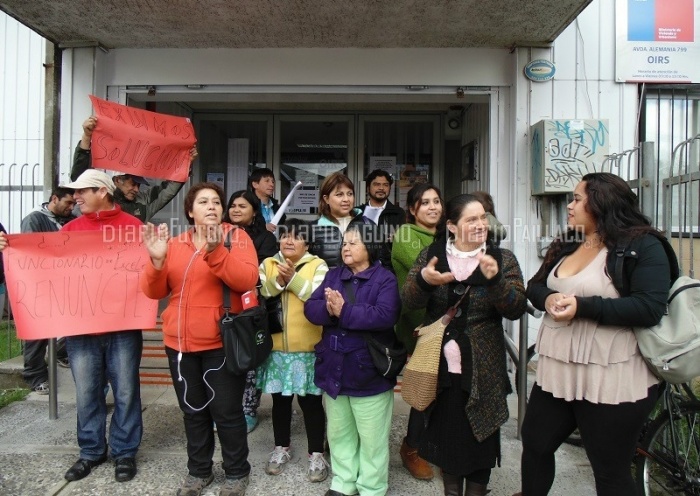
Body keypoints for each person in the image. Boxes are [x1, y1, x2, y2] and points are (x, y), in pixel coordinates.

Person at [517, 173, 672, 496]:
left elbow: (649, 307)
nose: (569, 206)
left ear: (601, 202)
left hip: (612, 376)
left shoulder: (644, 244)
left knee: (610, 471)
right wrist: (547, 298)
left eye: (576, 198)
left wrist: (582, 307)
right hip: (558, 372)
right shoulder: (571, 240)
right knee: (535, 445)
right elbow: (534, 285)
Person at [2, 170, 146, 483]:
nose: (76, 198)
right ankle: (91, 450)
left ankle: (124, 452)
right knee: (87, 393)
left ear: (103, 192)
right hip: (82, 330)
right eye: (75, 193)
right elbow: (45, 266)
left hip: (123, 327)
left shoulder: (134, 228)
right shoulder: (71, 230)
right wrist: (10, 247)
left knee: (125, 391)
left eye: (83, 192)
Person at [401, 193, 526, 496]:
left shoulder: (502, 258)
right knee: (448, 449)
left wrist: (496, 281)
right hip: (441, 373)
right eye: (472, 219)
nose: (481, 224)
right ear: (453, 226)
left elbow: (516, 307)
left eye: (483, 217)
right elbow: (408, 300)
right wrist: (424, 282)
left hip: (483, 372)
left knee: (480, 446)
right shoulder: (433, 254)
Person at [141, 182, 258, 496]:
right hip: (179, 344)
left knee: (227, 412)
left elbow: (247, 279)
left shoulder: (236, 238)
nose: (212, 206)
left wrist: (215, 250)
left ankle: (236, 472)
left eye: (217, 202)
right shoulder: (175, 244)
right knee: (192, 411)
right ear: (190, 211)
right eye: (203, 202)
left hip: (221, 342)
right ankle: (199, 471)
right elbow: (154, 292)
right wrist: (155, 261)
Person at [305, 223, 401, 496]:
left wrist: (344, 310)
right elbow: (310, 308)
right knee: (339, 433)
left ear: (369, 246)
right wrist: (329, 309)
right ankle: (344, 482)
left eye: (353, 243)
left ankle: (372, 487)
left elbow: (385, 315)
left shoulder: (385, 279)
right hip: (335, 370)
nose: (346, 248)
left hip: (368, 370)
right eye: (344, 243)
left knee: (372, 439)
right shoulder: (334, 275)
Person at [256, 219, 330, 483]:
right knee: (280, 402)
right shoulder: (268, 264)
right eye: (285, 235)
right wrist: (278, 280)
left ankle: (316, 454)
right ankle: (280, 449)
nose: (289, 240)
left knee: (311, 404)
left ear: (307, 244)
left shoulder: (318, 265)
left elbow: (316, 295)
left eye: (297, 237)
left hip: (308, 350)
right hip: (276, 349)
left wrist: (293, 280)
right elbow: (263, 291)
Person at [390, 183, 444, 481]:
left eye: (437, 201)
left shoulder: (448, 233)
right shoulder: (406, 235)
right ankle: (411, 447)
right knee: (424, 391)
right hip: (419, 326)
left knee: (446, 389)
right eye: (425, 203)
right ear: (413, 209)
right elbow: (434, 274)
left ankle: (438, 447)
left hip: (450, 324)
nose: (433, 207)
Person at [71, 116, 197, 222]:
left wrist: (185, 163)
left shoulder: (144, 200)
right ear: (118, 180)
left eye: (138, 185)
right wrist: (87, 137)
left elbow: (168, 190)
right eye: (133, 183)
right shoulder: (100, 196)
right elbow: (80, 177)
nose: (136, 189)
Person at [223, 189, 278, 433]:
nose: (236, 209)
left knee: (249, 360)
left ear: (254, 211)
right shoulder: (218, 233)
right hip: (223, 304)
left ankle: (248, 409)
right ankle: (226, 409)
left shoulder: (265, 238)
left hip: (251, 307)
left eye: (242, 206)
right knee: (224, 359)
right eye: (233, 205)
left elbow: (261, 271)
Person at [20, 186, 76, 393]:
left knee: (76, 323)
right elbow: (30, 251)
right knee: (38, 332)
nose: (71, 207)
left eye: (73, 204)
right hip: (39, 284)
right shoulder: (35, 220)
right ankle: (35, 376)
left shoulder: (71, 220)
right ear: (54, 198)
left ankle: (61, 352)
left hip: (65, 283)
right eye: (67, 203)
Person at [310, 171, 366, 269]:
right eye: (339, 195)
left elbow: (382, 263)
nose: (346, 199)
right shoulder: (313, 229)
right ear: (326, 199)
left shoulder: (367, 225)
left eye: (350, 194)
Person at [357, 169, 406, 271]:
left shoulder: (398, 213)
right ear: (368, 188)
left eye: (385, 185)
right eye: (376, 184)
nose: (381, 188)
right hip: (361, 268)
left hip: (389, 270)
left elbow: (401, 243)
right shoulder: (358, 212)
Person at [248, 168, 285, 232]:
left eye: (273, 181)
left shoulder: (276, 207)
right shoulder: (248, 205)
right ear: (255, 184)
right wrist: (263, 227)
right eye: (267, 181)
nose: (272, 184)